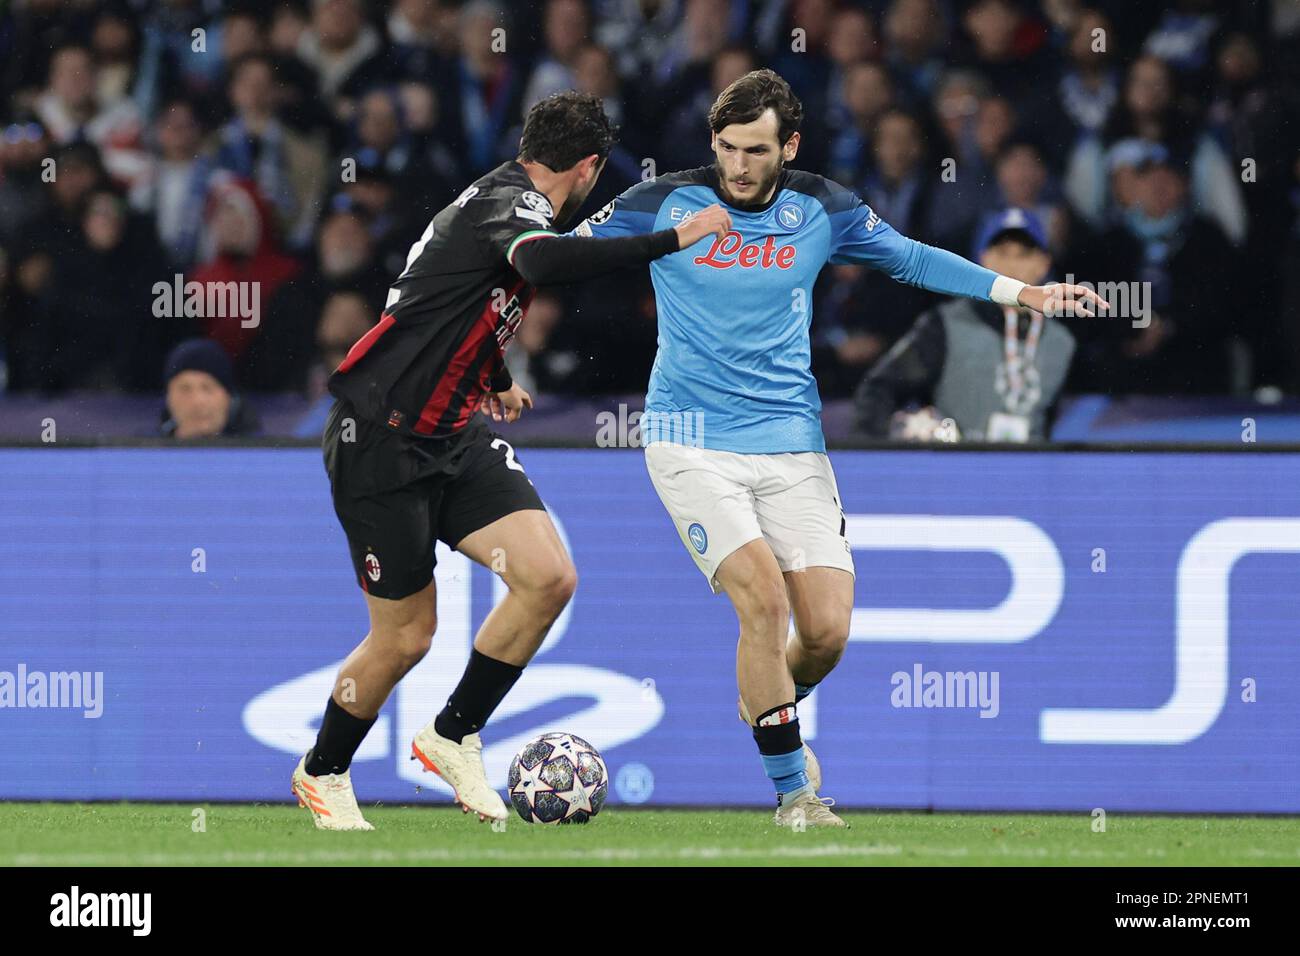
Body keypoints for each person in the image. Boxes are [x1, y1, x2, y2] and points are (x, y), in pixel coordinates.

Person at [571, 69, 1105, 827]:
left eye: (756, 150)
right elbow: (559, 256)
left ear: (789, 144)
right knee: (762, 601)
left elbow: (913, 258)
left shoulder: (821, 207)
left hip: (792, 440)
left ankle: (767, 705)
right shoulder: (664, 202)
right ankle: (795, 793)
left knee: (824, 632)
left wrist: (1023, 293)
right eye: (726, 148)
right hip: (689, 437)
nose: (738, 166)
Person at [293, 91, 731, 830]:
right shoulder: (510, 203)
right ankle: (323, 771)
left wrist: (492, 377)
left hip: (452, 432)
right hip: (381, 439)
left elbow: (452, 300)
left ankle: (451, 733)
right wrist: (674, 238)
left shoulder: (502, 200)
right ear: (587, 167)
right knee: (407, 636)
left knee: (548, 575)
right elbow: (542, 262)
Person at [853, 207, 1078, 442]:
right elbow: (878, 390)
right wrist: (875, 459)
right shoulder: (945, 325)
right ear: (983, 259)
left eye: (1023, 254)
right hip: (956, 472)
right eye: (1002, 252)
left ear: (1043, 263)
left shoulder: (1061, 342)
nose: (1012, 265)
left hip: (1026, 474)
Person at [160, 338, 259, 438]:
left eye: (207, 388)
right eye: (185, 389)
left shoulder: (262, 451)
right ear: (169, 398)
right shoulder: (148, 450)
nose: (198, 401)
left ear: (229, 398)